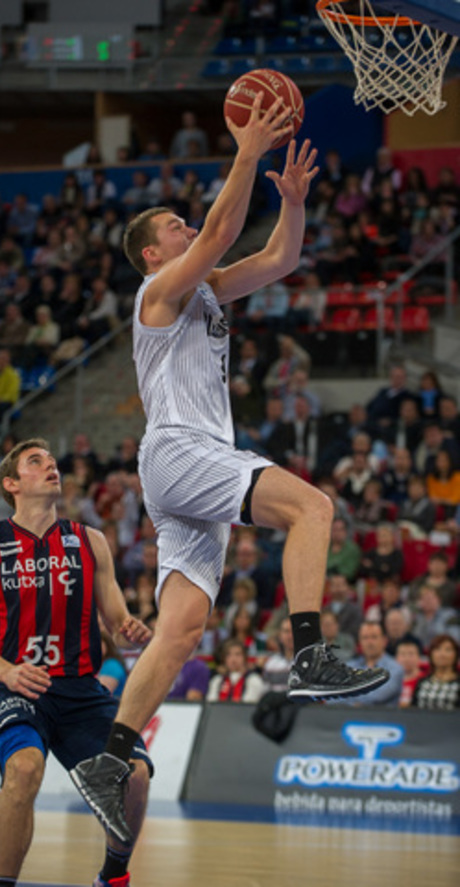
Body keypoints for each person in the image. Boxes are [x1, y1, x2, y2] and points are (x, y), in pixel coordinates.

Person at [95, 95, 388, 846]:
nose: (188, 229)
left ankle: (110, 756)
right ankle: (311, 652)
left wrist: (291, 203)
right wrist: (247, 151)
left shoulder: (206, 289)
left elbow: (279, 260)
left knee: (181, 630)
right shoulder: (158, 292)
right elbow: (222, 231)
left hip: (182, 468)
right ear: (152, 254)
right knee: (313, 507)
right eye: (175, 227)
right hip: (183, 448)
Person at [0, 439, 153, 887]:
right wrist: (5, 671)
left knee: (136, 774)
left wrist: (128, 627)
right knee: (24, 769)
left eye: (51, 461)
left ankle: (113, 875)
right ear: (11, 484)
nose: (51, 467)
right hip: (16, 686)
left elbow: (116, 617)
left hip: (81, 689)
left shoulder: (90, 540)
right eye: (36, 461)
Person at [206, 639, 265, 703]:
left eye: (238, 654)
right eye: (228, 655)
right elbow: (211, 703)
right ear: (223, 658)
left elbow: (248, 704)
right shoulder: (217, 680)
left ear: (245, 657)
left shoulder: (253, 679)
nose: (233, 659)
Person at [411, 634, 460, 710]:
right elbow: (413, 709)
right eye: (437, 649)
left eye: (448, 650)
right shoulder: (422, 682)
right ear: (431, 654)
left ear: (456, 655)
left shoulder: (458, 683)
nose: (442, 654)